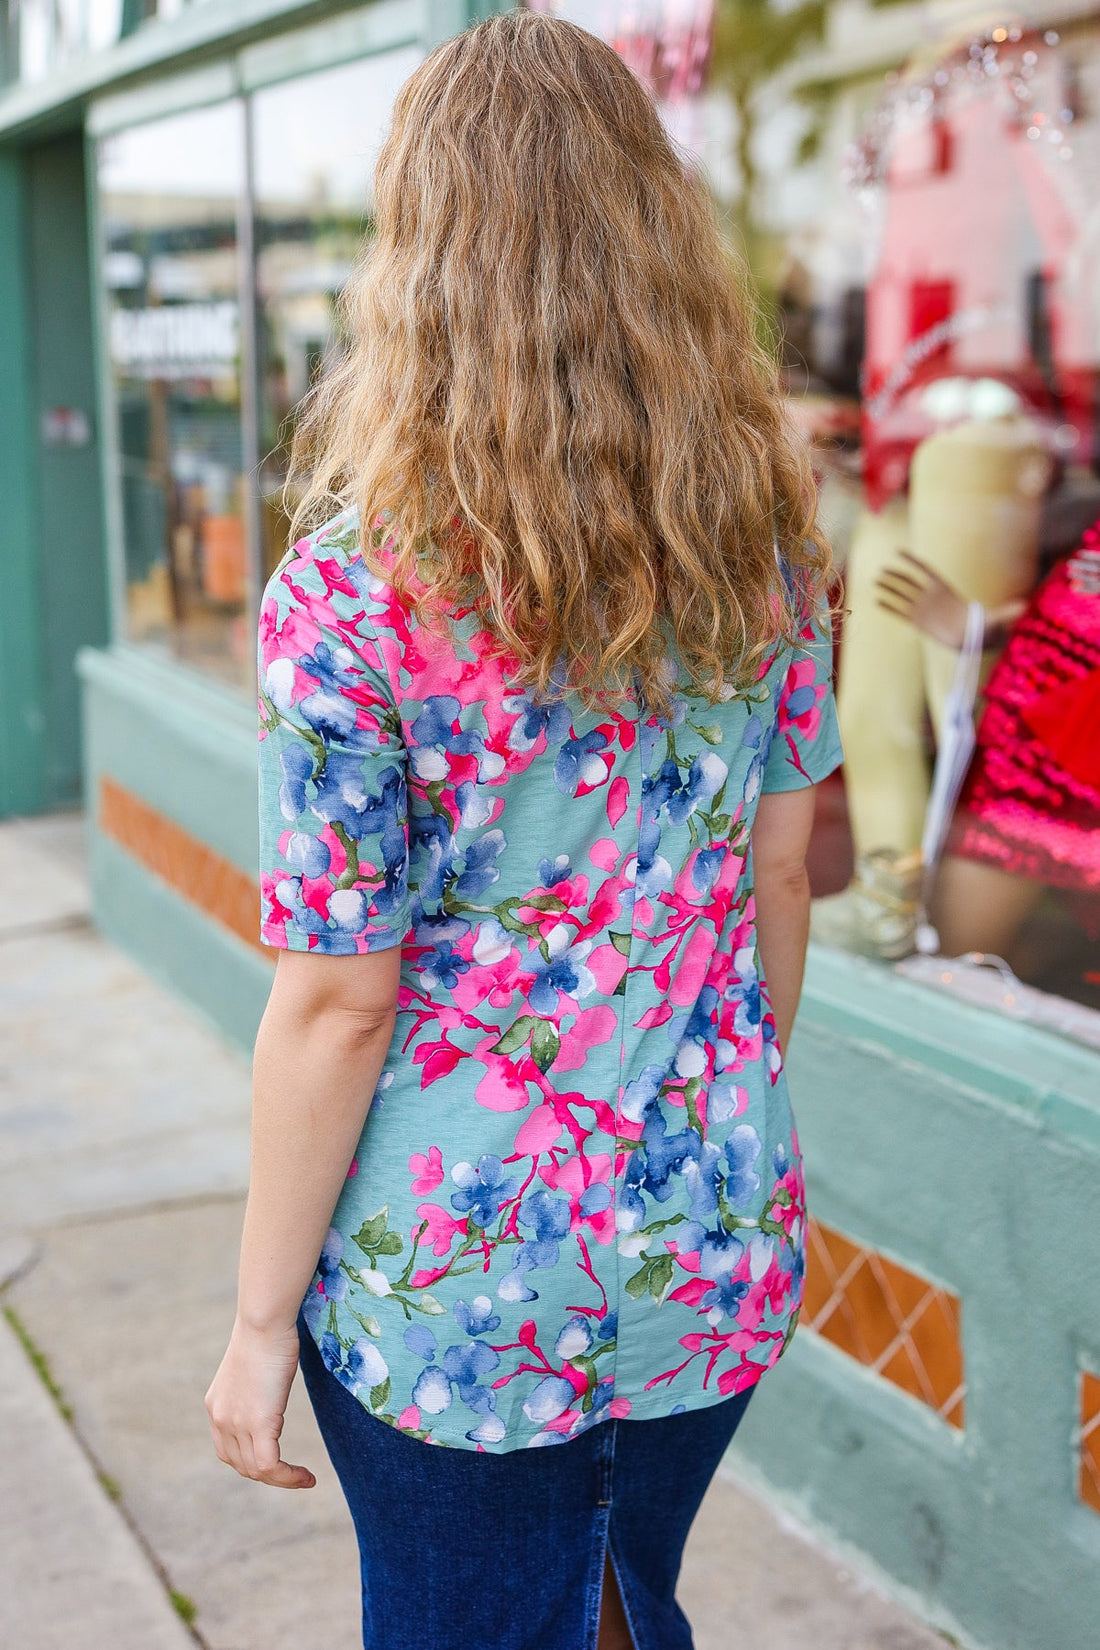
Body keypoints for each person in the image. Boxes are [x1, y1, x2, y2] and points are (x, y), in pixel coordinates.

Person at [204, 14, 842, 1650]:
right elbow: (782, 869)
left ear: (414, 255)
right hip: (714, 1224)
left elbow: (341, 997)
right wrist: (710, 1104)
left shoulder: (349, 594)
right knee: (625, 1601)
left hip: (457, 1278)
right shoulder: (758, 542)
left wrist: (259, 1319)